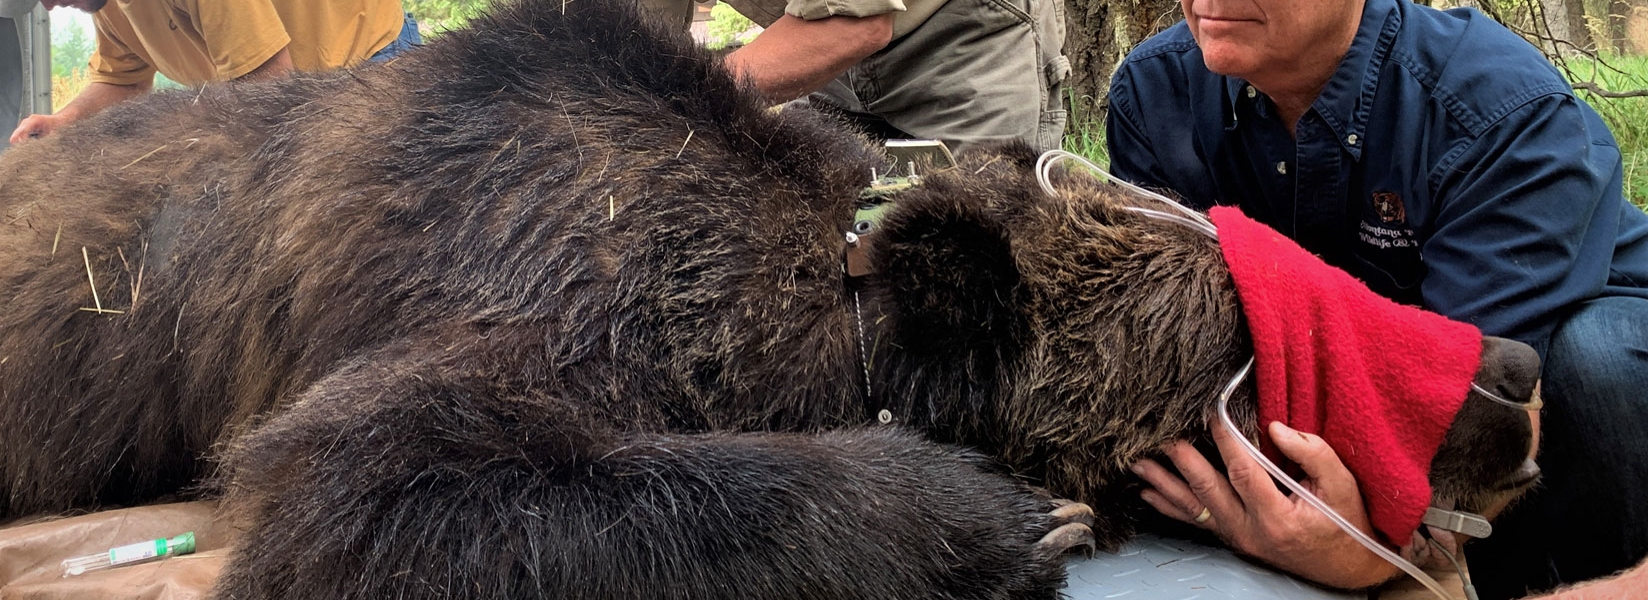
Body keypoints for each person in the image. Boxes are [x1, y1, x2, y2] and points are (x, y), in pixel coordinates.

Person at [1106, 0, 1648, 597]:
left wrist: (1371, 550)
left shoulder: (1500, 109)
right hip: (1341, 379)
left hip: (1560, 350)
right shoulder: (1154, 92)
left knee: (1595, 363)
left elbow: (1497, 401)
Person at [639, 0, 1069, 151]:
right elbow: (637, 33)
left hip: (964, 41)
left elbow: (855, 24)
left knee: (972, 264)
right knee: (828, 247)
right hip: (822, 44)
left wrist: (684, 97)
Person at [0, 0, 423, 144]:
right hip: (288, 92)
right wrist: (64, 122)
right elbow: (122, 79)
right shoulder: (104, 6)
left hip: (366, 66)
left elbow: (270, 96)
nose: (46, 7)